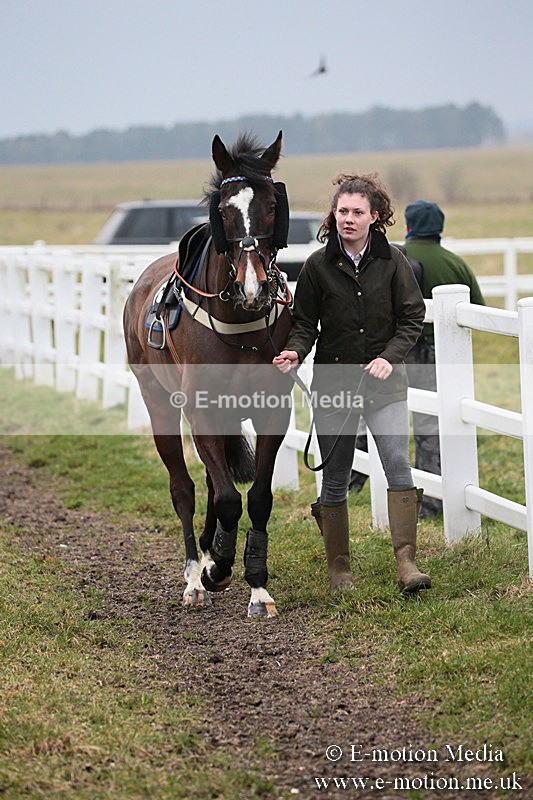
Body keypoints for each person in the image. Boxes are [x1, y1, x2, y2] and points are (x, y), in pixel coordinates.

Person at [273, 174, 431, 595]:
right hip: (333, 383)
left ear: (373, 217)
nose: (348, 219)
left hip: (385, 383)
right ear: (334, 215)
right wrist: (294, 351)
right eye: (342, 211)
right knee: (336, 476)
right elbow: (305, 324)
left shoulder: (394, 261)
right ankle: (339, 572)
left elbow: (412, 317)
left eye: (357, 212)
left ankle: (407, 563)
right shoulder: (316, 266)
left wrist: (388, 357)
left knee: (397, 464)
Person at [349, 200, 486, 518]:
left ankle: (355, 482)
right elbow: (478, 310)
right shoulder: (454, 264)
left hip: (390, 354)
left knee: (374, 419)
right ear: (440, 227)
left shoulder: (390, 256)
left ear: (408, 226)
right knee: (430, 427)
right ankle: (434, 501)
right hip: (435, 356)